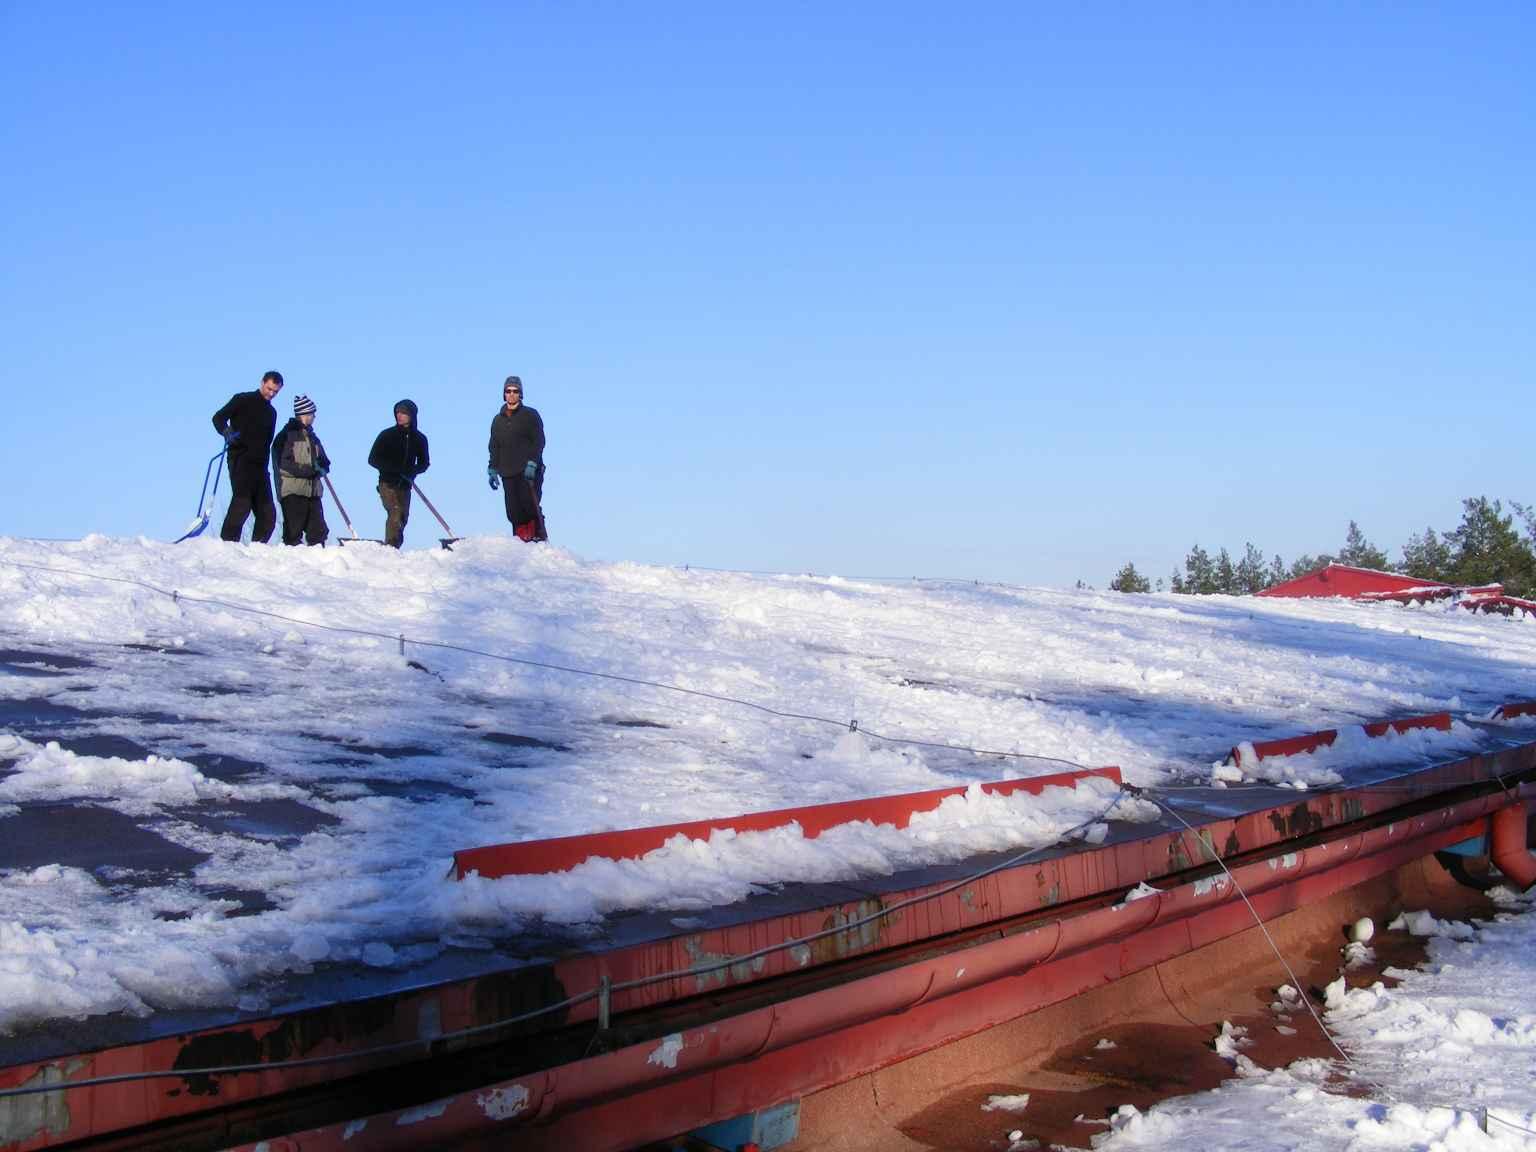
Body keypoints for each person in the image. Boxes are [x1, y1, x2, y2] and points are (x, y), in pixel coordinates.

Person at [211, 370, 284, 543]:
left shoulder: (271, 413)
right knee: (242, 504)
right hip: (240, 459)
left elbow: (267, 442)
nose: (271, 394)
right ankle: (227, 546)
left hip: (260, 467)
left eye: (276, 392)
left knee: (268, 515)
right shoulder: (242, 400)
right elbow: (218, 418)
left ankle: (256, 552)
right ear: (262, 383)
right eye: (269, 389)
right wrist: (226, 431)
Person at [487, 375, 546, 541]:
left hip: (528, 470)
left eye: (515, 391)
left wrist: (533, 463)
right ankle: (521, 541)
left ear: (521, 394)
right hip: (507, 471)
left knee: (529, 505)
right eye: (508, 391)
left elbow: (539, 440)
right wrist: (492, 468)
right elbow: (494, 446)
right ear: (504, 394)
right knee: (513, 511)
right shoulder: (497, 421)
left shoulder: (530, 415)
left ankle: (538, 537)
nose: (511, 394)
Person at [270, 394, 331, 547]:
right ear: (304, 414)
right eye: (312, 413)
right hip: (293, 492)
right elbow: (283, 464)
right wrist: (309, 470)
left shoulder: (313, 437)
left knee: (318, 532)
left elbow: (324, 459)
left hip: (313, 492)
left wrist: (323, 466)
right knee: (293, 532)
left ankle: (318, 565)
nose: (314, 417)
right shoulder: (286, 436)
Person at [367, 399, 429, 548]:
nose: (400, 416)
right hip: (387, 483)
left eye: (404, 413)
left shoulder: (419, 439)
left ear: (412, 416)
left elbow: (424, 463)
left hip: (405, 485)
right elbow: (373, 459)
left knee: (403, 518)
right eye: (398, 413)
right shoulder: (387, 435)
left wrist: (412, 470)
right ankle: (390, 547)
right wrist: (395, 468)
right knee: (396, 512)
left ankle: (395, 548)